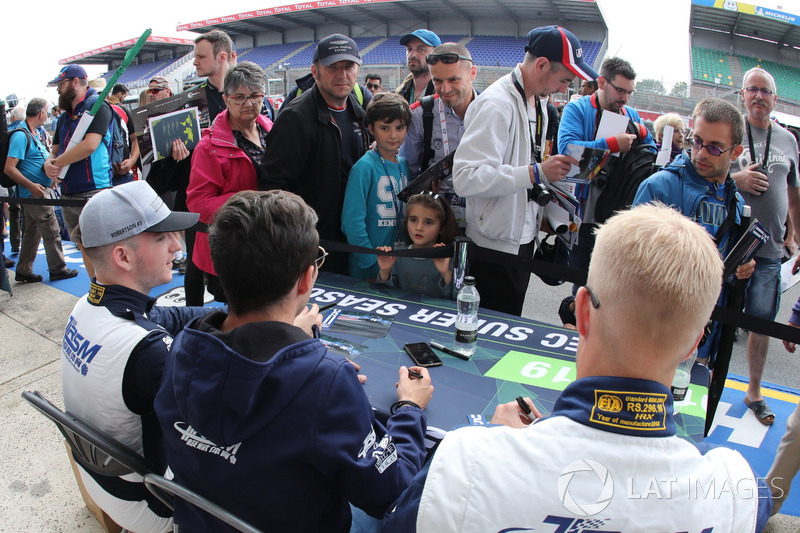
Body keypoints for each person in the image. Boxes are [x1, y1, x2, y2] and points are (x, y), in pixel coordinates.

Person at [383, 203, 772, 532]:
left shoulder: (468, 459)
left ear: (582, 310)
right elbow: (760, 499)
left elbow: (396, 520)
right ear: (694, 343)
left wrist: (500, 442)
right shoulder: (736, 489)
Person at [154, 189, 434, 531]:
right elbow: (391, 490)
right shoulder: (325, 383)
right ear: (306, 278)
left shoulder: (183, 346)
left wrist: (302, 350)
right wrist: (410, 410)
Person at [61, 180, 204, 532]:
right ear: (122, 257)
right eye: (160, 238)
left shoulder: (88, 306)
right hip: (149, 505)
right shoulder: (145, 351)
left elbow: (164, 317)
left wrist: (237, 315)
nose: (176, 245)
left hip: (103, 477)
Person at [451, 25, 595, 316]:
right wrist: (535, 173)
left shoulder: (535, 101)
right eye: (565, 79)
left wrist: (544, 204)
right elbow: (465, 178)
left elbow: (526, 165)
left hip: (520, 240)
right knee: (492, 330)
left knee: (508, 322)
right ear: (541, 64)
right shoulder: (496, 104)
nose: (565, 89)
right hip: (494, 247)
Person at [634, 98, 755, 365]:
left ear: (736, 153)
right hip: (654, 333)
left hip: (705, 337)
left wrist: (741, 270)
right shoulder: (659, 187)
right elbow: (627, 264)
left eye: (714, 147)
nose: (700, 153)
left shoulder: (736, 203)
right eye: (696, 141)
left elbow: (728, 265)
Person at [260, 34, 369, 275]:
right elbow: (273, 190)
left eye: (349, 66)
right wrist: (300, 238)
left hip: (350, 238)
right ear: (315, 71)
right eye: (332, 67)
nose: (342, 74)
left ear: (358, 70)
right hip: (312, 247)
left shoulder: (357, 110)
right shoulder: (295, 118)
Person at [557, 56, 653, 319]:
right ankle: (576, 335)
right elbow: (567, 151)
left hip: (619, 215)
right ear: (601, 82)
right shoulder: (577, 109)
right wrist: (612, 144)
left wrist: (643, 134)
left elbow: (651, 151)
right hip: (584, 215)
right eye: (620, 90)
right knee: (583, 285)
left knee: (613, 288)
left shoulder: (631, 115)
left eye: (629, 92)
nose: (624, 98)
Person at [730, 67, 800, 426]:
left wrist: (797, 239)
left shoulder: (788, 140)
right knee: (709, 314)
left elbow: (793, 195)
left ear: (775, 99)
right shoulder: (727, 126)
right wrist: (737, 178)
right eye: (752, 90)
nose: (759, 96)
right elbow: (701, 171)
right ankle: (700, 375)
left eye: (766, 91)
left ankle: (754, 391)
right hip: (728, 245)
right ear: (742, 94)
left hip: (770, 252)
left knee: (761, 323)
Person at [187, 62, 273, 302]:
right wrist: (250, 201)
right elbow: (198, 204)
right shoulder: (210, 147)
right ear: (226, 99)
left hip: (269, 241)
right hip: (233, 248)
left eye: (255, 96)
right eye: (239, 97)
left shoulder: (271, 130)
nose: (249, 103)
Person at [44, 64, 114, 280]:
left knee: (102, 250)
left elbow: (90, 144)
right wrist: (49, 164)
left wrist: (56, 163)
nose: (58, 89)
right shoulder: (65, 117)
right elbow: (54, 150)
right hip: (68, 192)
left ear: (76, 82)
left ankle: (111, 295)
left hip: (93, 190)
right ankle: (96, 290)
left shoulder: (98, 105)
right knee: (84, 248)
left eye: (61, 84)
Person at [401, 42, 477, 227]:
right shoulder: (421, 114)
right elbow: (408, 169)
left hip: (482, 219)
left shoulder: (492, 111)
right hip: (436, 223)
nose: (445, 89)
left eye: (453, 80)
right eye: (437, 81)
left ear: (472, 73)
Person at [3, 98, 77, 283]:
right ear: (41, 113)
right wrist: (32, 186)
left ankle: (24, 269)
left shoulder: (30, 132)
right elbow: (9, 168)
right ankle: (58, 268)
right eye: (46, 111)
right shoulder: (22, 135)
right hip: (34, 194)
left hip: (33, 193)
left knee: (32, 233)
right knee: (51, 230)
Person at [341, 93, 411, 279]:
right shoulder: (364, 167)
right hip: (369, 270)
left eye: (400, 127)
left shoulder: (404, 165)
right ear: (371, 128)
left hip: (397, 266)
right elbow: (352, 224)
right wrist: (370, 263)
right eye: (385, 128)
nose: (393, 135)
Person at [376, 191, 458, 299]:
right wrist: (385, 271)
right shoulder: (397, 256)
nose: (419, 227)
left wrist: (446, 274)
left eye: (428, 222)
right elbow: (382, 297)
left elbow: (457, 303)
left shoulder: (446, 260)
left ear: (441, 227)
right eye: (413, 220)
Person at [396, 30, 441, 104]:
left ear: (436, 54)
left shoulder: (445, 96)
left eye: (421, 49)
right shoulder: (399, 94)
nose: (412, 55)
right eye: (409, 49)